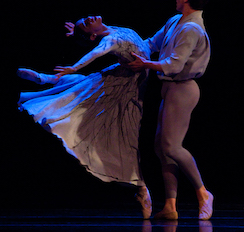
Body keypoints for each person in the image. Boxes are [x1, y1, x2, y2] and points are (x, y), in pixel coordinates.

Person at [18, 15, 152, 219]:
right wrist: (74, 65)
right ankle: (141, 187)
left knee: (84, 85)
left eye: (86, 19)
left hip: (123, 76)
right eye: (86, 23)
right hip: (123, 87)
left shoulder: (109, 29)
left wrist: (80, 34)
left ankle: (50, 79)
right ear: (93, 34)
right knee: (121, 133)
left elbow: (96, 42)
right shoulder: (109, 40)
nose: (89, 18)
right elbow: (96, 53)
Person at [127, 0, 213, 220]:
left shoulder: (191, 29)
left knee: (171, 146)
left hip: (183, 88)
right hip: (170, 88)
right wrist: (119, 44)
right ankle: (170, 206)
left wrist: (146, 64)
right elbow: (150, 44)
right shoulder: (176, 21)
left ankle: (204, 193)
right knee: (161, 147)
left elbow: (174, 65)